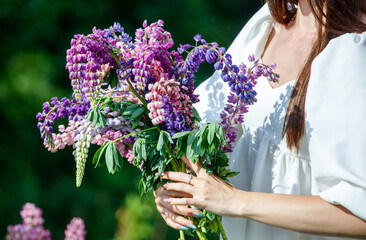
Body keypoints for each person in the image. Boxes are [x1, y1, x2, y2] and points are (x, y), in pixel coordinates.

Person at [154, 0, 366, 239]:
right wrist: (176, 188)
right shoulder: (265, 26)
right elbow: (202, 133)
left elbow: (360, 214)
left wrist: (233, 200)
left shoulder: (355, 50)